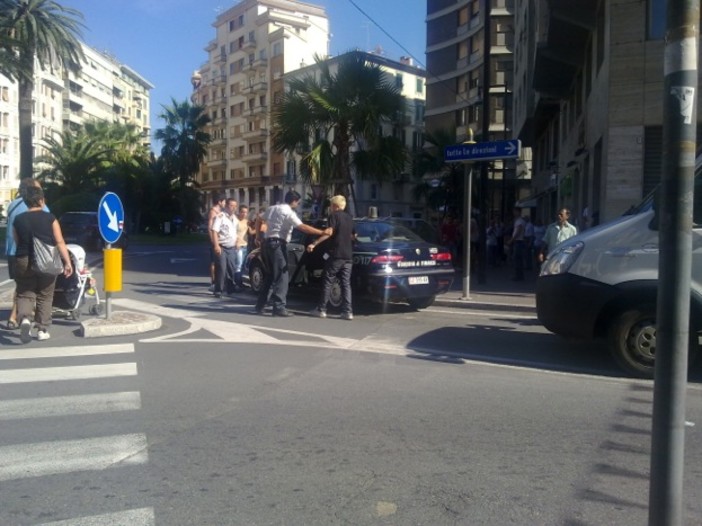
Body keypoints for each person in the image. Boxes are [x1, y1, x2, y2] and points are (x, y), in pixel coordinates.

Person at [12, 186, 73, 343]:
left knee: (25, 292)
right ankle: (42, 329)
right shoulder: (50, 218)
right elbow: (59, 241)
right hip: (47, 260)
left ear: (26, 202)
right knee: (45, 295)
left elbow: (17, 241)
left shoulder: (18, 220)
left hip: (23, 259)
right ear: (41, 200)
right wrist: (67, 262)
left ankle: (25, 319)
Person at [253, 190, 328, 317]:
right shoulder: (289, 212)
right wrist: (321, 232)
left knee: (271, 275)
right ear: (293, 201)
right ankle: (279, 307)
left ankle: (260, 305)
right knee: (283, 276)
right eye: (297, 203)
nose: (297, 205)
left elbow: (259, 219)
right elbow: (302, 227)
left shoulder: (272, 208)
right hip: (277, 245)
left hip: (266, 243)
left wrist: (258, 236)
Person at [4, 178, 48, 330]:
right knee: (30, 287)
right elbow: (46, 223)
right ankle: (23, 317)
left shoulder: (12, 204)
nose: (41, 189)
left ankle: (14, 317)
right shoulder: (36, 205)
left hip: (11, 251)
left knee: (21, 285)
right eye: (38, 187)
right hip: (30, 251)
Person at [307, 195, 355, 320]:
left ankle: (321, 309)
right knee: (346, 283)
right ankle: (348, 312)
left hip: (336, 254)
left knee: (328, 280)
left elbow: (328, 233)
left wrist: (314, 243)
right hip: (348, 255)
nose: (331, 208)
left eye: (332, 206)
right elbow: (354, 236)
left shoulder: (334, 216)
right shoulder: (350, 218)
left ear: (336, 206)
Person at [210, 198, 238, 298]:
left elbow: (235, 232)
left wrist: (237, 242)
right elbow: (214, 231)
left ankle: (230, 288)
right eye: (231, 205)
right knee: (221, 268)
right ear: (226, 206)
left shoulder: (235, 218)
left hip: (231, 247)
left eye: (235, 206)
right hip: (222, 246)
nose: (233, 208)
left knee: (231, 268)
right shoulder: (220, 217)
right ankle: (218, 290)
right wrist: (216, 245)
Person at [207, 192, 226, 292]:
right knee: (214, 262)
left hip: (220, 240)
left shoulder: (219, 211)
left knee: (219, 262)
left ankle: (219, 281)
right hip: (215, 241)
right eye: (224, 201)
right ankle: (213, 282)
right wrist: (214, 242)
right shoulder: (213, 212)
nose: (225, 203)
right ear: (219, 202)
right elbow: (210, 228)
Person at [506, 207, 526, 281]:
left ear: (518, 212)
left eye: (515, 211)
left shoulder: (520, 221)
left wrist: (511, 240)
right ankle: (519, 275)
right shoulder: (518, 221)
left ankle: (518, 276)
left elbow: (518, 232)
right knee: (518, 259)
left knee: (517, 259)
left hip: (518, 242)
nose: (514, 213)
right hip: (518, 242)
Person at [233, 204, 249, 289]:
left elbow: (251, 231)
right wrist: (236, 243)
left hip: (245, 245)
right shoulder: (235, 221)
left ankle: (240, 282)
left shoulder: (246, 221)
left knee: (243, 265)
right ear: (239, 212)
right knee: (238, 265)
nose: (244, 214)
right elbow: (233, 233)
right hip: (237, 246)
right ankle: (237, 284)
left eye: (246, 212)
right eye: (242, 212)